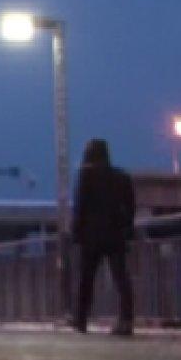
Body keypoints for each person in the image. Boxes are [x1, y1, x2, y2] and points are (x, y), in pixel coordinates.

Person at [72, 138, 135, 336]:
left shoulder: (86, 176)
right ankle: (126, 320)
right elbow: (130, 208)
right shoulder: (122, 178)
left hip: (91, 237)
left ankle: (81, 320)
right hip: (115, 235)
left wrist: (76, 233)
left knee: (86, 279)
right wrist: (127, 229)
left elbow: (80, 207)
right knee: (121, 278)